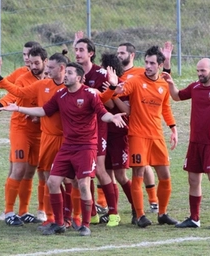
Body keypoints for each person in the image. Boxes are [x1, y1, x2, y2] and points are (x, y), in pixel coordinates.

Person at [0, 62, 127, 236]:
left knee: (82, 184)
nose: (65, 75)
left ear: (80, 78)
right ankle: (59, 223)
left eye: (70, 73)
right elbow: (44, 111)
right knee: (52, 182)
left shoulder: (90, 94)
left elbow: (102, 112)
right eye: (65, 72)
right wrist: (18, 108)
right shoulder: (60, 94)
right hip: (67, 146)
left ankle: (85, 224)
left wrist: (112, 118)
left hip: (86, 147)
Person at [0, 41, 48, 223]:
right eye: (26, 58)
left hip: (42, 131)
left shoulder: (50, 78)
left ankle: (27, 211)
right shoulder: (22, 76)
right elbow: (10, 94)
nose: (30, 63)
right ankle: (8, 211)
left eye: (34, 61)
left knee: (33, 172)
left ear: (45, 61)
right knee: (18, 169)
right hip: (21, 129)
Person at [162, 58, 210, 229]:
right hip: (195, 142)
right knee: (193, 179)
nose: (200, 74)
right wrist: (171, 83)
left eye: (203, 71)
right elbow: (177, 96)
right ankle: (194, 218)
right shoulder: (195, 87)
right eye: (198, 71)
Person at [112, 45, 178, 228]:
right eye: (146, 62)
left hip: (157, 136)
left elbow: (165, 107)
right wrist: (114, 87)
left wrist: (173, 128)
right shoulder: (135, 80)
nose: (147, 66)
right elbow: (120, 91)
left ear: (159, 65)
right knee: (138, 174)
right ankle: (140, 215)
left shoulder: (164, 83)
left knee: (165, 175)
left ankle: (163, 213)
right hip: (138, 135)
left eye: (151, 63)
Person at [74, 37, 120, 226]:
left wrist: (113, 86)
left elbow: (109, 99)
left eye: (81, 50)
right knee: (85, 172)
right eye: (76, 50)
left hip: (98, 127)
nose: (77, 53)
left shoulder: (101, 73)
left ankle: (114, 213)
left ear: (91, 53)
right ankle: (91, 212)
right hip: (79, 129)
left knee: (99, 169)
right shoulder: (73, 72)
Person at [100, 52, 137, 224]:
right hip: (104, 133)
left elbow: (125, 110)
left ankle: (137, 208)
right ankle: (113, 210)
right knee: (108, 174)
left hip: (120, 133)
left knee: (121, 175)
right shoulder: (104, 85)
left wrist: (112, 92)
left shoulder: (122, 85)